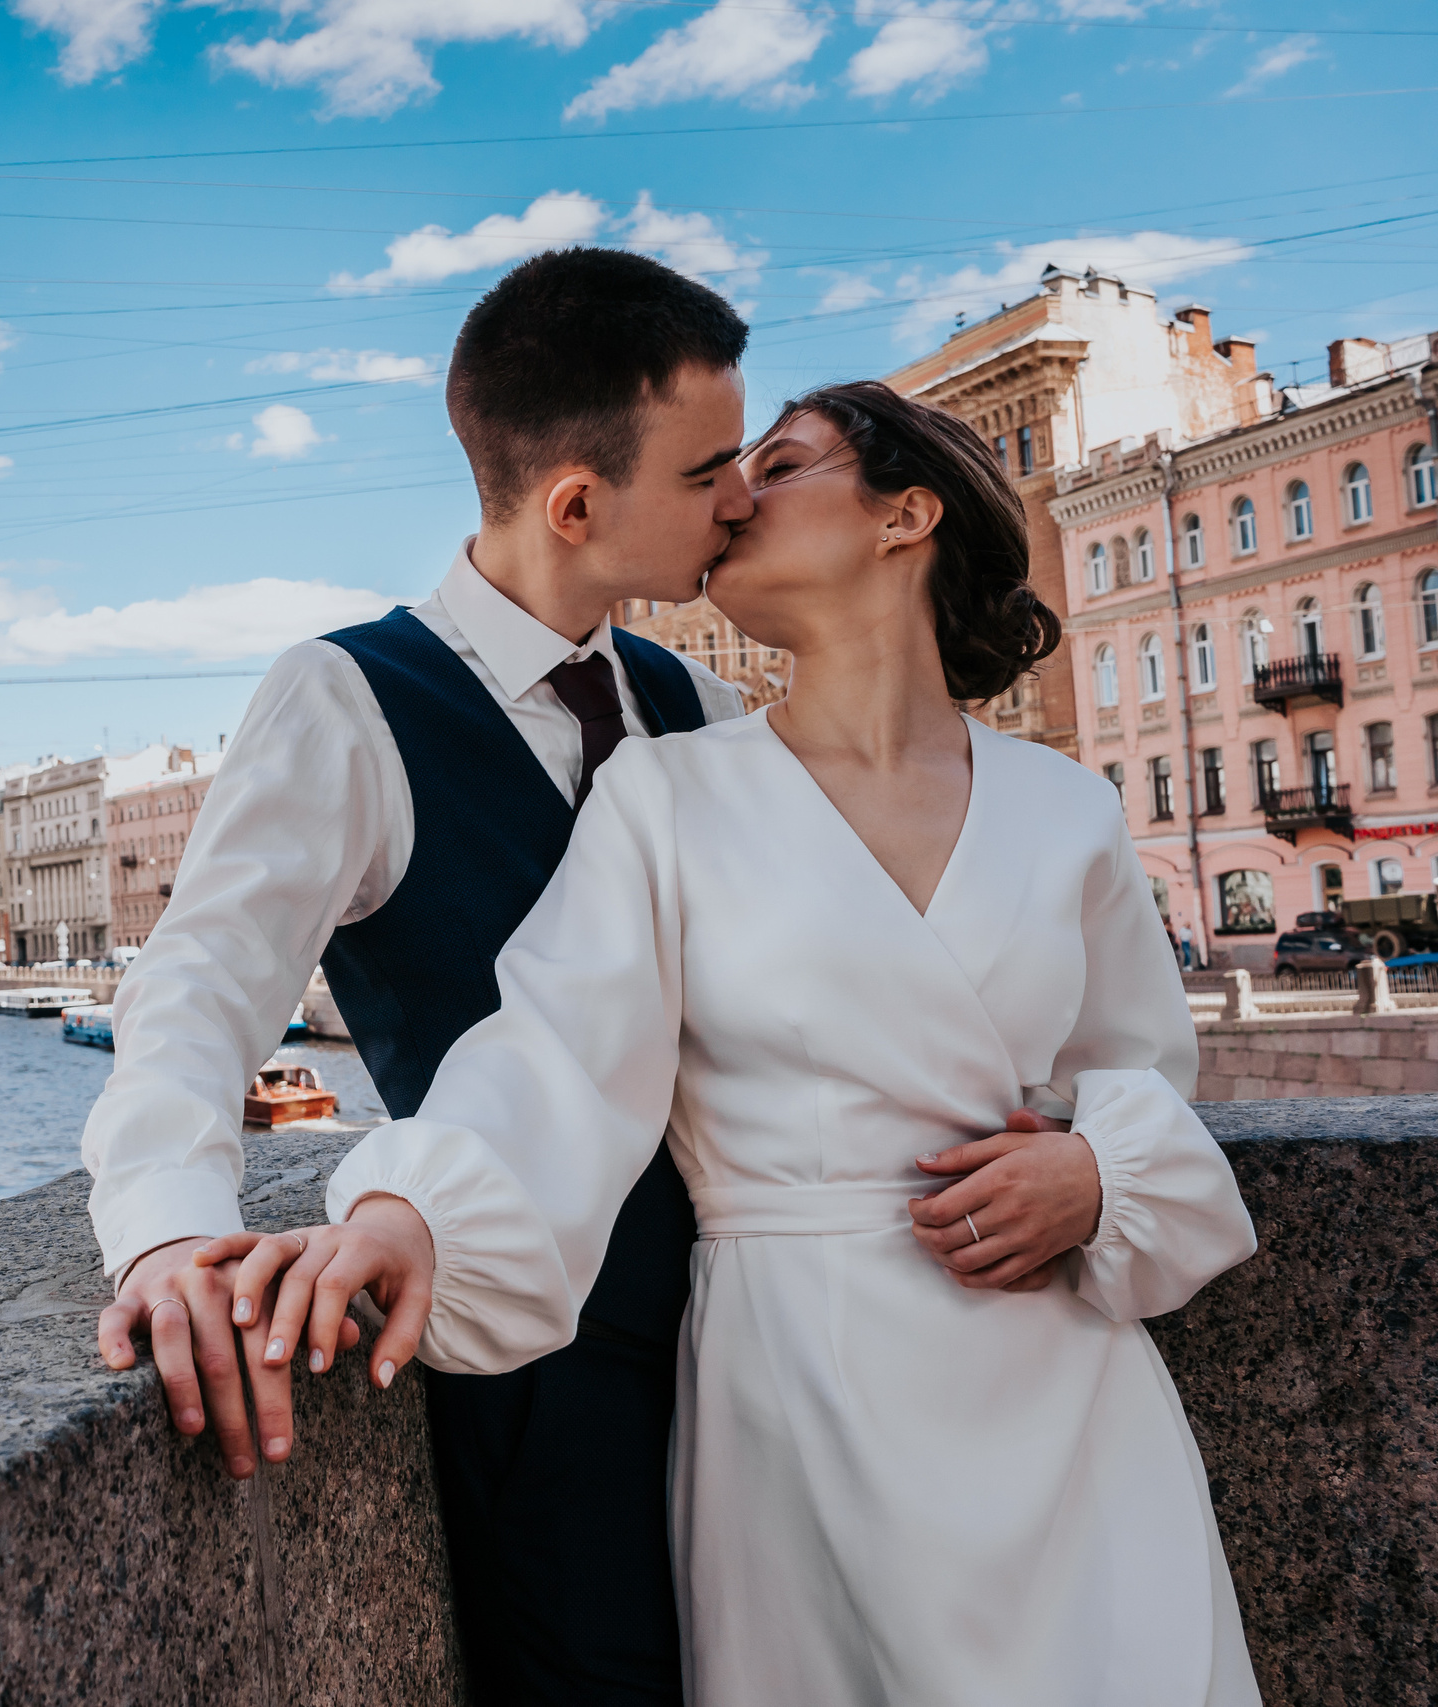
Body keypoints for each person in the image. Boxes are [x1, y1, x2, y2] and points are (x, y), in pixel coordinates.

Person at [82, 257, 1109, 1704]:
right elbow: (196, 995)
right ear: (577, 505)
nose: (742, 498)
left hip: (773, 1342)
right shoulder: (348, 696)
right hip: (540, 1373)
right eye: (710, 473)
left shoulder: (692, 707)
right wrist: (169, 1234)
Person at [218, 381, 1261, 1705]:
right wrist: (406, 1215)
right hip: (802, 1390)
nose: (731, 498)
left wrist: (1099, 1177)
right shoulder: (666, 795)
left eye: (779, 463)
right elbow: (556, 1055)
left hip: (1063, 1386)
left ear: (907, 513)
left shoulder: (1069, 811)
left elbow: (1145, 1076)